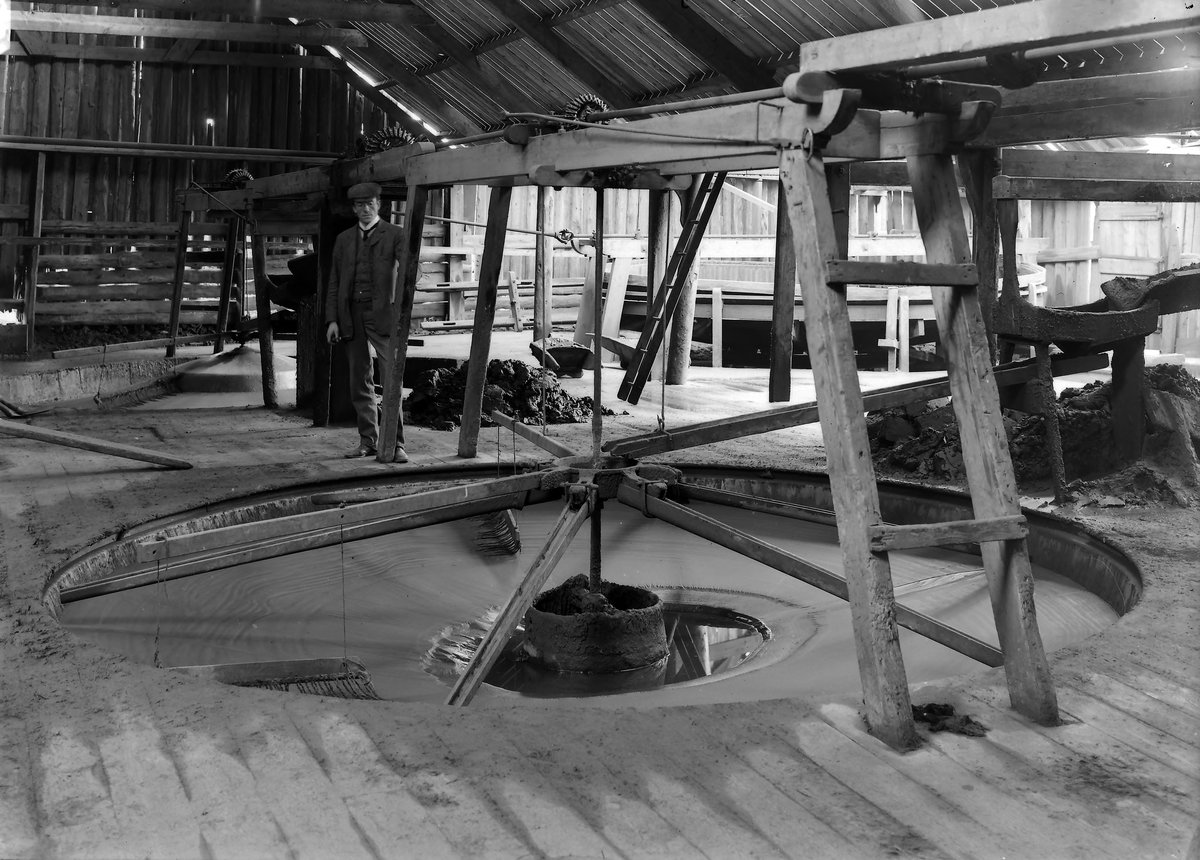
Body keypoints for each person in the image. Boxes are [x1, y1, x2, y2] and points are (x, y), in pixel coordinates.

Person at [324, 182, 409, 462]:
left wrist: (400, 300)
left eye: (369, 204)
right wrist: (332, 320)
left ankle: (395, 444)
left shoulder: (396, 234)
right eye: (359, 205)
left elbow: (413, 269)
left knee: (391, 378)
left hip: (383, 316)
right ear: (353, 208)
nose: (364, 209)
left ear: (379, 204)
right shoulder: (344, 240)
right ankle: (368, 441)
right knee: (359, 381)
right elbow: (334, 282)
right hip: (351, 317)